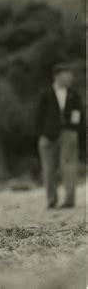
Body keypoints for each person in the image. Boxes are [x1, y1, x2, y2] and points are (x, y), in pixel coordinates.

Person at [35, 62, 84, 209]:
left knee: (68, 166)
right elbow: (38, 116)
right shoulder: (45, 94)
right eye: (66, 75)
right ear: (57, 76)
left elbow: (79, 113)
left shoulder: (73, 94)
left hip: (68, 133)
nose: (70, 78)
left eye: (71, 75)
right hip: (47, 136)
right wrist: (42, 134)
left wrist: (73, 129)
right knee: (48, 168)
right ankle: (51, 199)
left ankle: (69, 200)